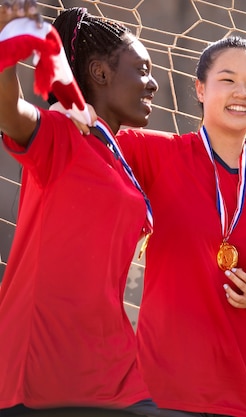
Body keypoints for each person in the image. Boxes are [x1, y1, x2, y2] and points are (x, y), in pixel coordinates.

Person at [114, 36, 246, 417]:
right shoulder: (156, 153)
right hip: (163, 389)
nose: (242, 92)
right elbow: (89, 132)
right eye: (228, 79)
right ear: (200, 89)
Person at [0, 3, 159, 417]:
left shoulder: (113, 153)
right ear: (101, 74)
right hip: (42, 372)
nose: (153, 84)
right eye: (141, 70)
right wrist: (5, 50)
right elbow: (11, 114)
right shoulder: (61, 135)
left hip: (111, 364)